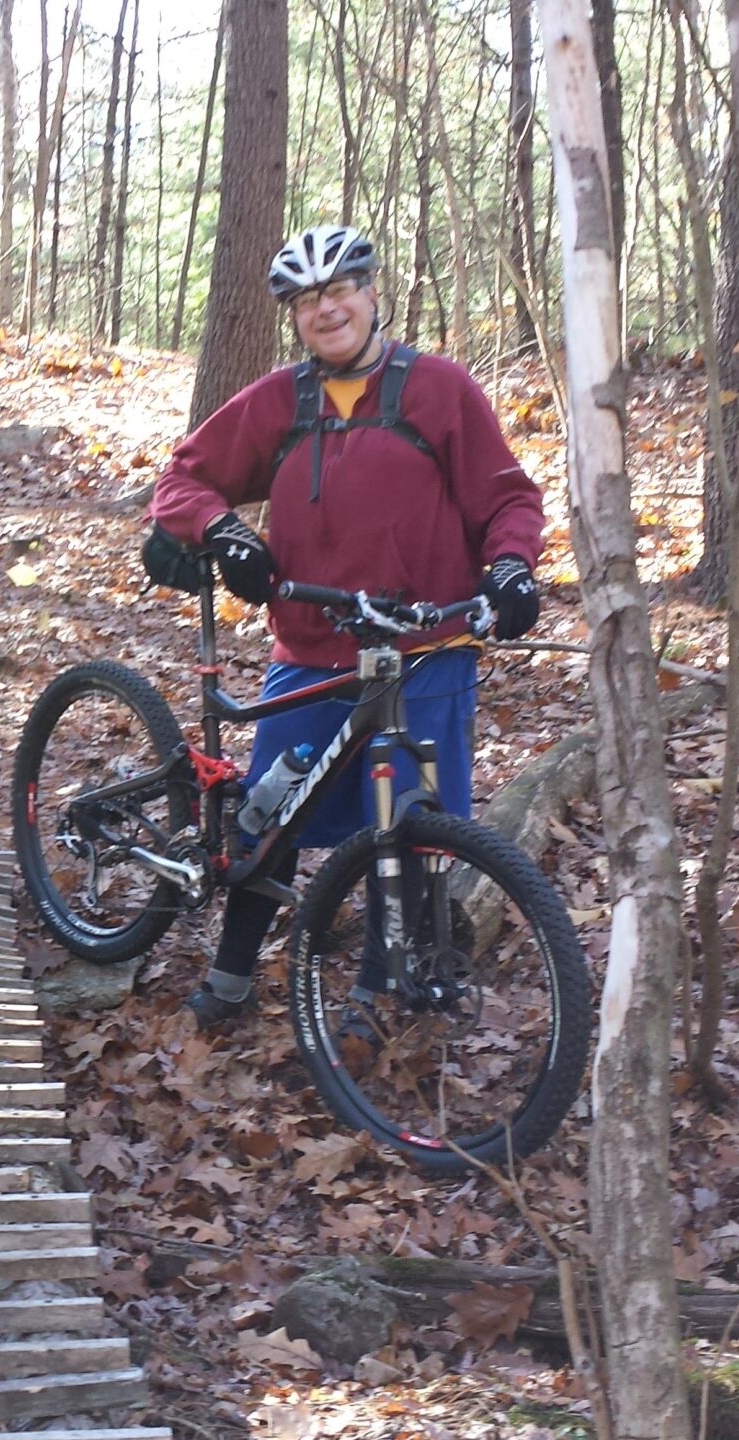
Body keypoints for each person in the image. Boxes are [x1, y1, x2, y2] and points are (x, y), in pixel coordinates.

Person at [147, 224, 548, 1029]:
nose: (326, 310)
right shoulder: (281, 399)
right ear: (295, 317)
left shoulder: (439, 389)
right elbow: (183, 479)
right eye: (306, 301)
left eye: (339, 291)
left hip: (425, 650)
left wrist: (509, 566)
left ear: (371, 294)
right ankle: (231, 977)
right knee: (270, 815)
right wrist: (225, 531)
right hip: (313, 647)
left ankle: (377, 993)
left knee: (411, 827)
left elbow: (508, 495)